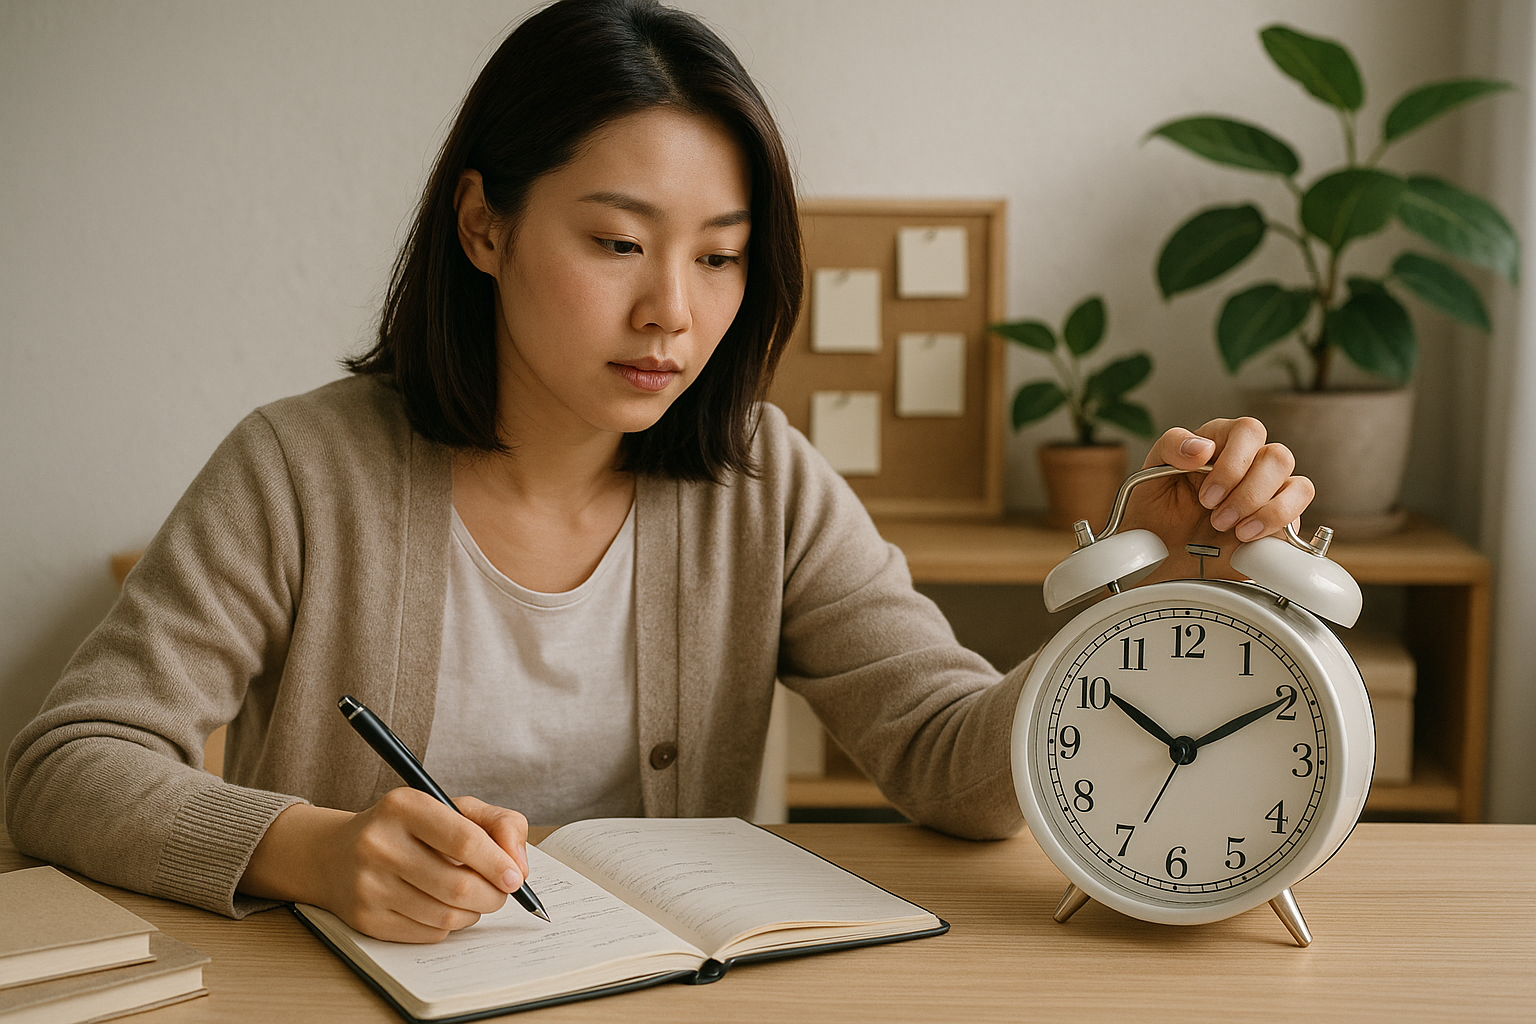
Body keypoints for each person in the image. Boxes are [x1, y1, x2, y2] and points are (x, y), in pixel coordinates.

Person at [4, 0, 1312, 944]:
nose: (675, 316)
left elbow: (953, 767)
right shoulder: (299, 469)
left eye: (721, 257)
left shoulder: (764, 483)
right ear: (484, 224)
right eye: (620, 243)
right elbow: (64, 764)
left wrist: (1166, 595)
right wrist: (315, 850)